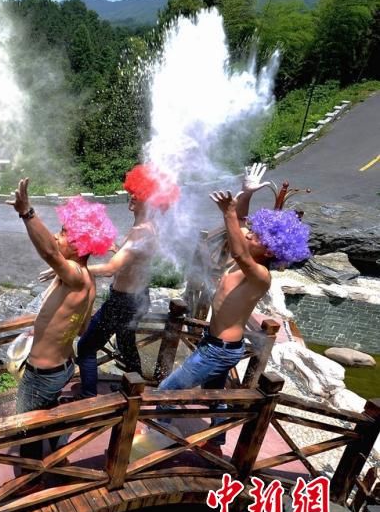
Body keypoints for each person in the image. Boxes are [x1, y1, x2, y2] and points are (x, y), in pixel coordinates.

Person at [158, 164, 310, 452]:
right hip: (214, 343)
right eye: (252, 231)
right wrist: (247, 193)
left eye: (256, 235)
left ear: (270, 250)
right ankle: (218, 434)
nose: (249, 233)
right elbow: (239, 221)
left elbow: (239, 245)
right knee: (215, 395)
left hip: (220, 350)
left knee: (166, 392)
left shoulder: (260, 275)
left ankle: (161, 436)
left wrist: (227, 212)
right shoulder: (248, 257)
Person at [6, 180, 116, 461]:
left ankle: (31, 478)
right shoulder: (86, 279)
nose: (56, 236)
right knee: (48, 410)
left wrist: (27, 212)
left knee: (26, 429)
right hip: (64, 366)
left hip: (42, 374)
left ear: (80, 246)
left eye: (64, 233)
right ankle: (59, 446)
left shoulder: (77, 278)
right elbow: (80, 327)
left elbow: (50, 253)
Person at [72, 164, 178, 397]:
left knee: (86, 347)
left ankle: (88, 398)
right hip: (137, 298)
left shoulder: (142, 231)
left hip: (123, 301)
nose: (132, 196)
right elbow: (133, 259)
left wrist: (75, 269)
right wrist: (117, 249)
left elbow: (112, 269)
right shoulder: (149, 228)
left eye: (139, 195)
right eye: (133, 191)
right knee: (126, 342)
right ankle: (133, 387)